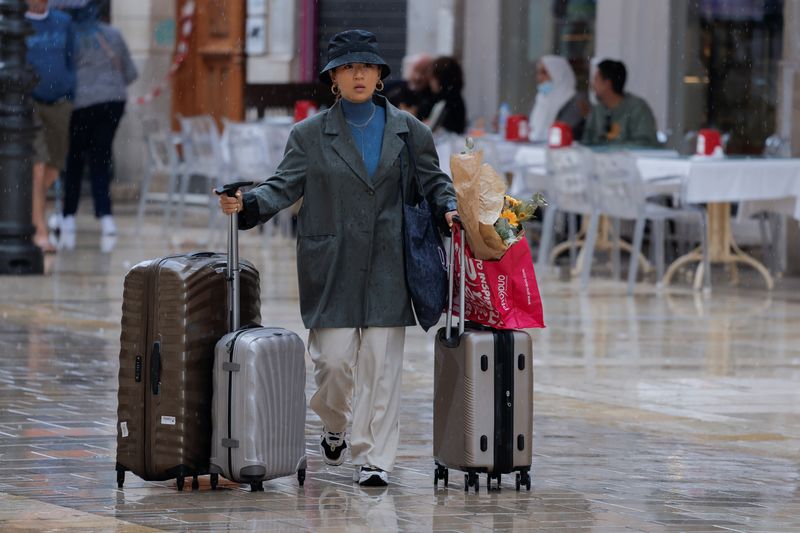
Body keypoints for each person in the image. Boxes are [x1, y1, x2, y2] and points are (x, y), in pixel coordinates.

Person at [218, 29, 458, 487]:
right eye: (349, 67)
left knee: (381, 369)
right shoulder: (309, 135)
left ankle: (374, 458)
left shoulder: (411, 132)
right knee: (332, 362)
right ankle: (334, 424)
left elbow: (434, 182)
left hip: (391, 263)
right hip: (333, 264)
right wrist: (247, 203)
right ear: (334, 78)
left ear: (380, 75)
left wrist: (449, 207)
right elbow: (282, 185)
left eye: (367, 66)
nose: (359, 74)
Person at [60, 4, 137, 238]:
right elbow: (131, 73)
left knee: (74, 159)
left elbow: (63, 73)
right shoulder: (112, 34)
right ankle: (106, 217)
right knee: (100, 157)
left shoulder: (68, 35)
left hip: (81, 103)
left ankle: (68, 216)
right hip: (112, 101)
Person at [25, 0, 75, 253]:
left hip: (60, 103)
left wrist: (69, 89)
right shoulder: (13, 21)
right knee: (38, 164)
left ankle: (30, 210)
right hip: (28, 103)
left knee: (52, 168)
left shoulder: (63, 22)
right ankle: (39, 229)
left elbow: (71, 58)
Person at [582, 59, 659, 147]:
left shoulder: (638, 108)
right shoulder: (597, 110)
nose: (592, 85)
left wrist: (614, 150)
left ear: (607, 84)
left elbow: (646, 144)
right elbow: (587, 143)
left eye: (596, 80)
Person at [528, 55, 588, 142]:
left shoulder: (574, 102)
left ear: (558, 73)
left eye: (544, 72)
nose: (539, 78)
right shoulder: (540, 99)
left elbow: (563, 133)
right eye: (538, 72)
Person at [385, 53, 435, 120]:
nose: (418, 77)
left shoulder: (432, 97)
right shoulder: (393, 88)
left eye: (424, 72)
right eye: (416, 70)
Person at [428, 56, 467, 135]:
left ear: (441, 79)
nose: (430, 82)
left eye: (433, 78)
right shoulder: (453, 99)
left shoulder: (447, 102)